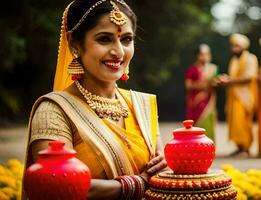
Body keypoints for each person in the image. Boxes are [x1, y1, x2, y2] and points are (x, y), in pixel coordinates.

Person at [22, 0, 167, 199]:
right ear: (74, 44)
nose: (119, 52)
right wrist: (137, 184)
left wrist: (166, 168)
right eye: (104, 39)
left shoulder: (142, 106)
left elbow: (158, 173)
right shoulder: (54, 110)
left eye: (126, 40)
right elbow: (58, 186)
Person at [217, 33, 258, 157]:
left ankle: (246, 148)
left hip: (245, 96)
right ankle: (239, 147)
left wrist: (230, 81)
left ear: (243, 46)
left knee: (243, 122)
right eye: (233, 46)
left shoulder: (251, 58)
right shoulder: (234, 60)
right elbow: (234, 77)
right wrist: (226, 79)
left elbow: (249, 77)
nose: (234, 49)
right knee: (234, 123)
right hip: (234, 95)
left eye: (237, 46)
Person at [185, 44, 218, 141]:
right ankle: (196, 146)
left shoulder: (213, 69)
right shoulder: (192, 69)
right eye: (202, 54)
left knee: (208, 123)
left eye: (207, 54)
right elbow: (188, 85)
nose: (205, 57)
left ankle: (209, 146)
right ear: (197, 56)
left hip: (209, 102)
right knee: (196, 125)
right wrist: (203, 85)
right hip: (196, 102)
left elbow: (215, 83)